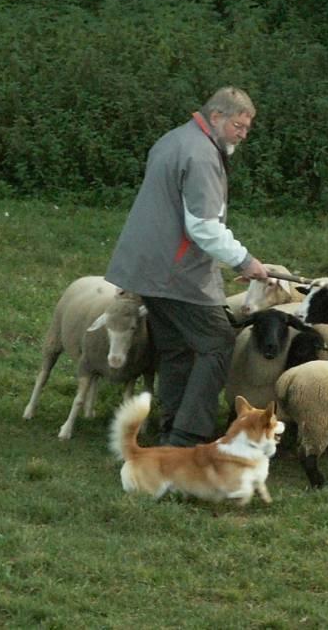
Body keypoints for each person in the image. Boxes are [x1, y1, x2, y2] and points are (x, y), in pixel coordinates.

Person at [105, 86, 268, 447]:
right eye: (238, 126)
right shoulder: (202, 156)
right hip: (175, 274)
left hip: (146, 268)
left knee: (176, 346)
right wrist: (245, 260)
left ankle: (171, 429)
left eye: (247, 128)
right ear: (216, 117)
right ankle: (189, 437)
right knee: (217, 341)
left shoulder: (173, 140)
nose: (243, 134)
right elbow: (204, 226)